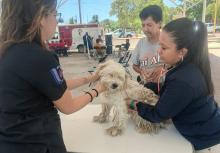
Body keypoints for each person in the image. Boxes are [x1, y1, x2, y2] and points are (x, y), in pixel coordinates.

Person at [0, 0, 106, 153]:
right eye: (56, 14)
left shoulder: (8, 51)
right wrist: (99, 89)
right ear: (41, 17)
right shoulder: (40, 57)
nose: (57, 20)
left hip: (10, 139)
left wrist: (89, 79)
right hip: (38, 143)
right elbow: (68, 106)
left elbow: (52, 85)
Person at [127, 18, 220, 153]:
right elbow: (168, 90)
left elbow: (157, 114)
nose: (159, 51)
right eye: (160, 45)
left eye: (164, 48)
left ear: (182, 52)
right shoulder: (187, 66)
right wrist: (147, 85)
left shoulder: (184, 80)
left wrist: (132, 104)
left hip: (207, 140)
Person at [132, 5, 164, 87]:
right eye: (143, 25)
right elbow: (134, 65)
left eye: (149, 25)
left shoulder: (168, 42)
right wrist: (141, 71)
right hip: (146, 86)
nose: (145, 29)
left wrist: (163, 68)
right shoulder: (141, 43)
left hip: (165, 86)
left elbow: (178, 64)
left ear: (159, 24)